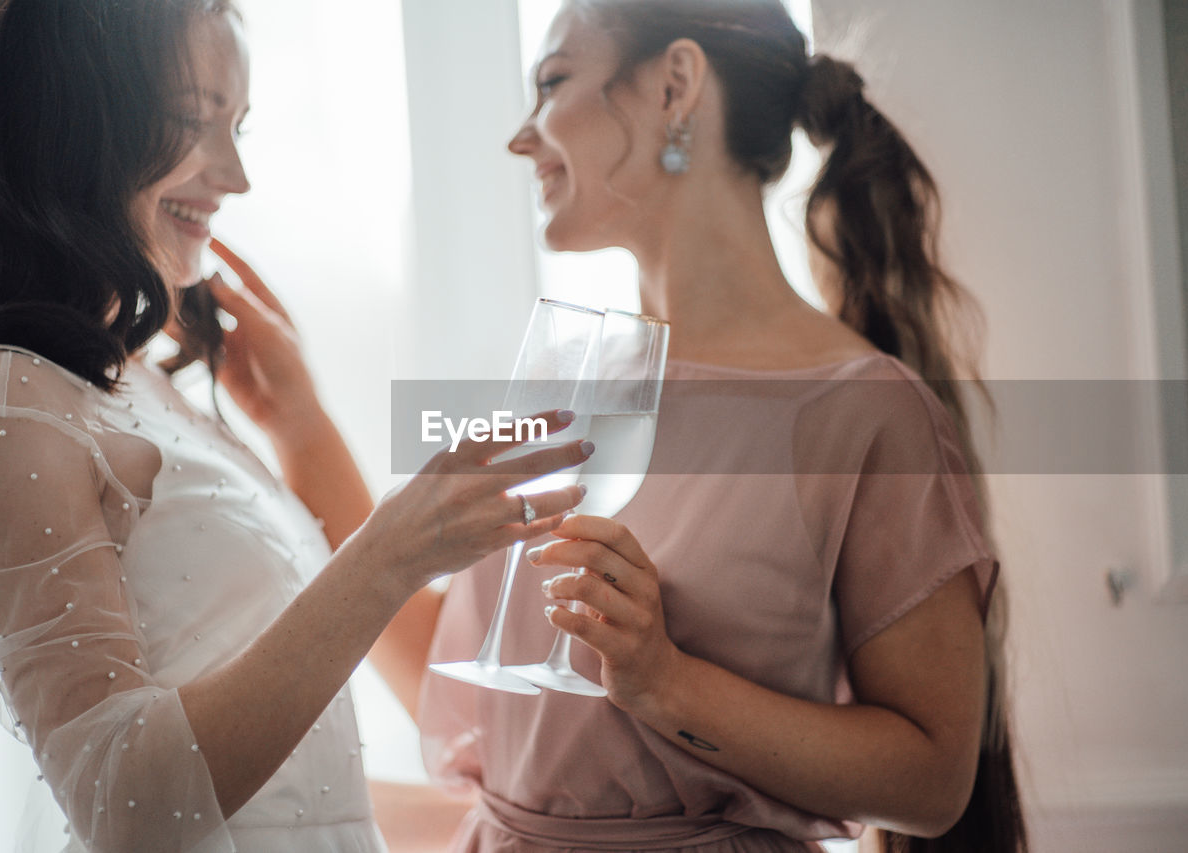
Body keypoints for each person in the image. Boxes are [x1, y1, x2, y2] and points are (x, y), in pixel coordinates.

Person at [0, 1, 589, 851]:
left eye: (237, 123)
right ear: (67, 120)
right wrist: (391, 553)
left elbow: (292, 793)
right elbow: (122, 803)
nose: (236, 175)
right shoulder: (3, 399)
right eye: (190, 119)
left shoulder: (138, 382)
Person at [400, 1, 1029, 851]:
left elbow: (931, 780)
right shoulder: (560, 381)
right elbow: (504, 703)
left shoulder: (866, 410)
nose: (522, 138)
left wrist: (665, 682)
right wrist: (298, 437)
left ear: (675, 85)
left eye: (552, 83)